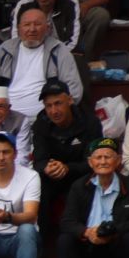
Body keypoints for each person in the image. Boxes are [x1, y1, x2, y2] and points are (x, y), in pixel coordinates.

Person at [57, 136, 129, 258]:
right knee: (65, 240)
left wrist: (113, 231)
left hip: (117, 243)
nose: (103, 162)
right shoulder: (79, 186)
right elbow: (67, 221)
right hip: (88, 244)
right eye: (98, 157)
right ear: (91, 162)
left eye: (108, 157)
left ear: (118, 161)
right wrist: (87, 232)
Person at [0, 8, 84, 120]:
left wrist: (56, 114)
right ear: (19, 29)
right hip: (5, 119)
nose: (32, 29)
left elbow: (74, 89)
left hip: (45, 120)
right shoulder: (5, 49)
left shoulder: (58, 50)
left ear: (47, 29)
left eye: (37, 24)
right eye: (27, 25)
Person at [31, 79, 102, 221]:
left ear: (69, 100)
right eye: (48, 106)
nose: (53, 111)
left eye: (58, 103)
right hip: (52, 177)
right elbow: (38, 161)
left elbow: (94, 161)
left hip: (80, 175)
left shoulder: (90, 122)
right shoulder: (41, 124)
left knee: (83, 187)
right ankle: (41, 239)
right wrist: (48, 167)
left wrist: (67, 168)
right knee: (38, 187)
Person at [11, 0, 87, 58]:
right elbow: (15, 39)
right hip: (29, 55)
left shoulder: (70, 3)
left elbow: (74, 42)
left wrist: (50, 58)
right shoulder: (23, 5)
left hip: (61, 57)